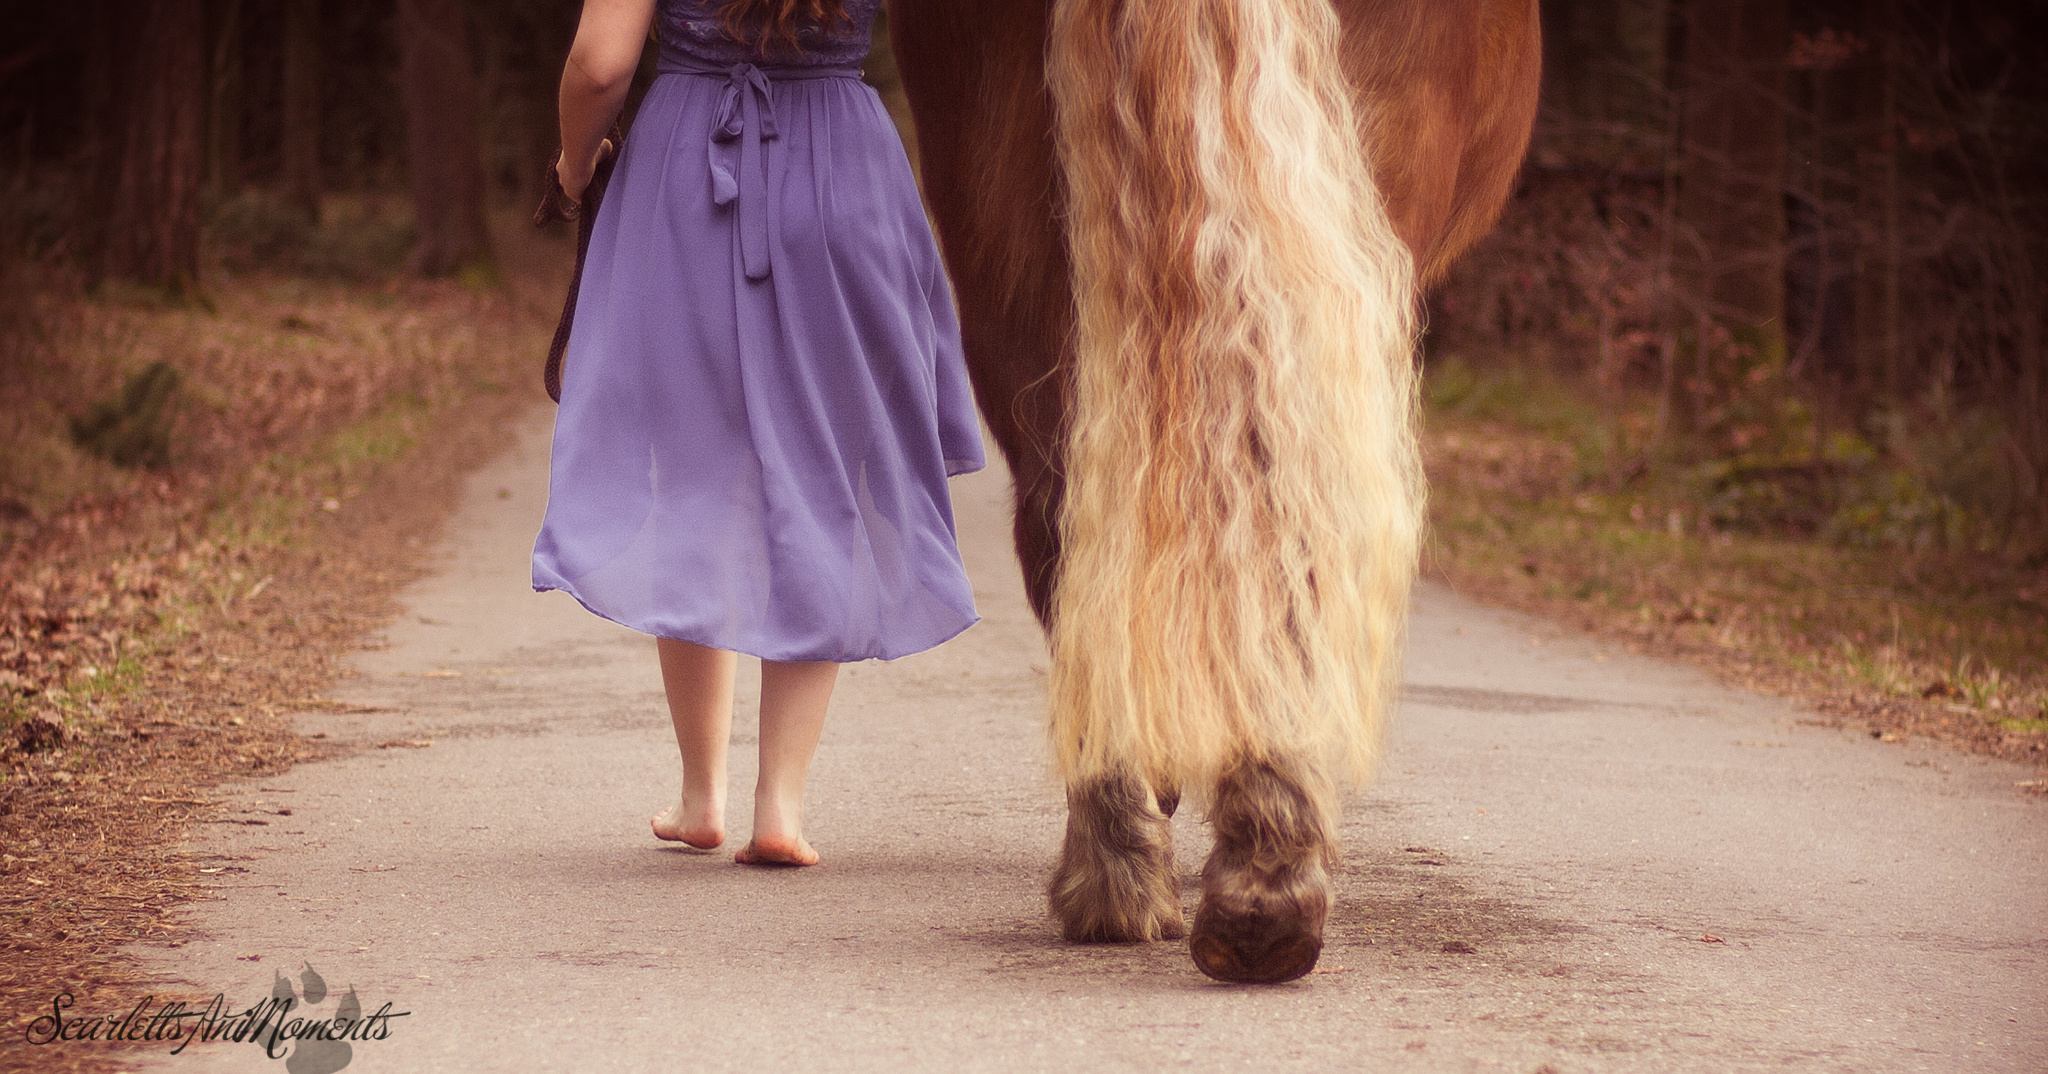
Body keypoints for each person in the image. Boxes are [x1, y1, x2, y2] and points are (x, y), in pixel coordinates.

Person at [533, 0, 984, 867]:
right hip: (847, 175)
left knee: (692, 466)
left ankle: (701, 793)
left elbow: (600, 64)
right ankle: (780, 804)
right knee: (826, 469)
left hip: (688, 170)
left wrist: (575, 165)